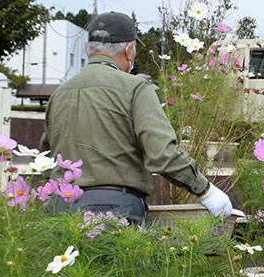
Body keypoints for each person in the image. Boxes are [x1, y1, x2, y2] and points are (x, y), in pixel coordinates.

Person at [39, 11, 233, 225]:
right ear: (129, 50)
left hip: (61, 210)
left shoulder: (59, 94)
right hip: (116, 208)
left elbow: (45, 158)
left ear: (87, 49)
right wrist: (206, 191)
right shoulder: (135, 88)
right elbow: (162, 155)